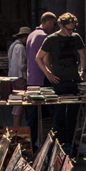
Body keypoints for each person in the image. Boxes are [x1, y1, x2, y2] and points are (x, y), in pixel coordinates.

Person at [36, 12, 86, 155]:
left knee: (72, 116)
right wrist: (48, 74)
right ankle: (59, 146)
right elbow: (39, 58)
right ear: (60, 26)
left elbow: (83, 55)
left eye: (73, 29)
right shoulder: (51, 39)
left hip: (73, 80)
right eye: (68, 29)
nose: (71, 32)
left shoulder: (76, 38)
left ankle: (69, 145)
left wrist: (83, 71)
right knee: (59, 116)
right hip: (59, 81)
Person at [21, 12, 58, 140]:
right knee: (53, 111)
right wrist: (51, 74)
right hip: (43, 78)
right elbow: (45, 59)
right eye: (53, 23)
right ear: (48, 21)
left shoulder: (31, 35)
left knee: (33, 114)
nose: (53, 27)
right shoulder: (44, 36)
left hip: (32, 78)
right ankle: (55, 140)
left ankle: (31, 142)